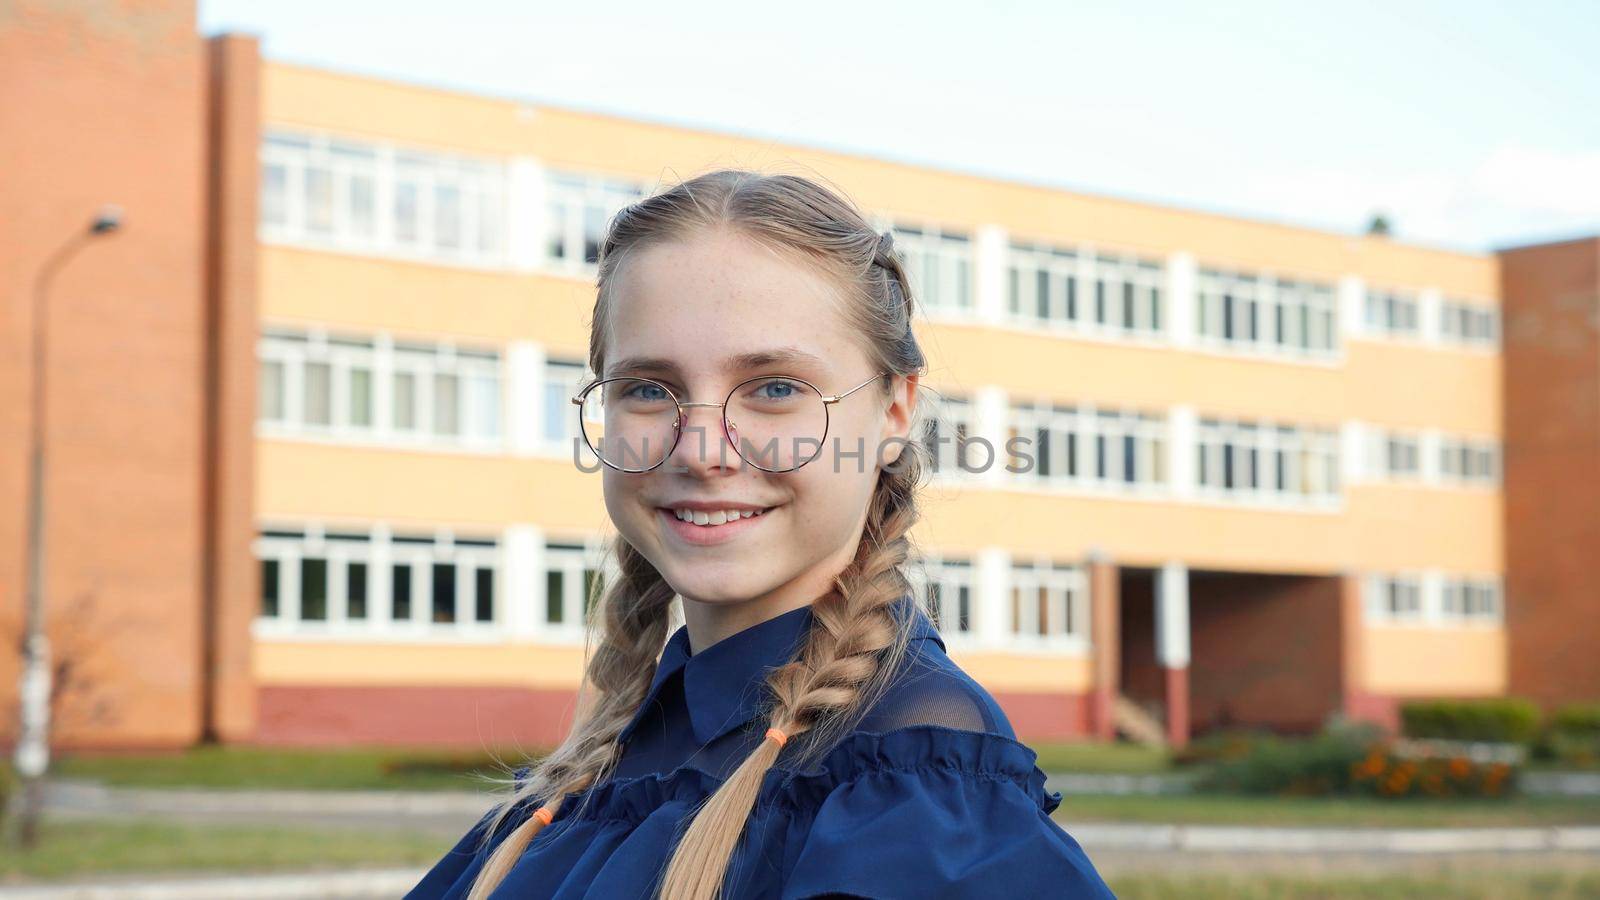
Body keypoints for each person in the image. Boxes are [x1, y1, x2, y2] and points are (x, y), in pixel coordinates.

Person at [405, 169, 1116, 899]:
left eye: (776, 388)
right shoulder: (599, 768)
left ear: (894, 413)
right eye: (649, 388)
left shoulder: (914, 797)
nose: (700, 449)